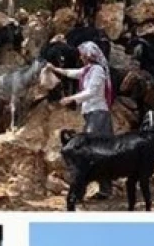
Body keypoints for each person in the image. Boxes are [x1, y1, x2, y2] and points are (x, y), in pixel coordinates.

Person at [47, 40, 116, 200]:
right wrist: (56, 69)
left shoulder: (97, 71)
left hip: (98, 114)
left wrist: (71, 98)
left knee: (91, 152)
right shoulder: (88, 70)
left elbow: (91, 92)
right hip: (92, 114)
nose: (80, 57)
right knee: (99, 152)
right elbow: (73, 73)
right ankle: (103, 189)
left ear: (88, 56)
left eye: (82, 55)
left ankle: (86, 190)